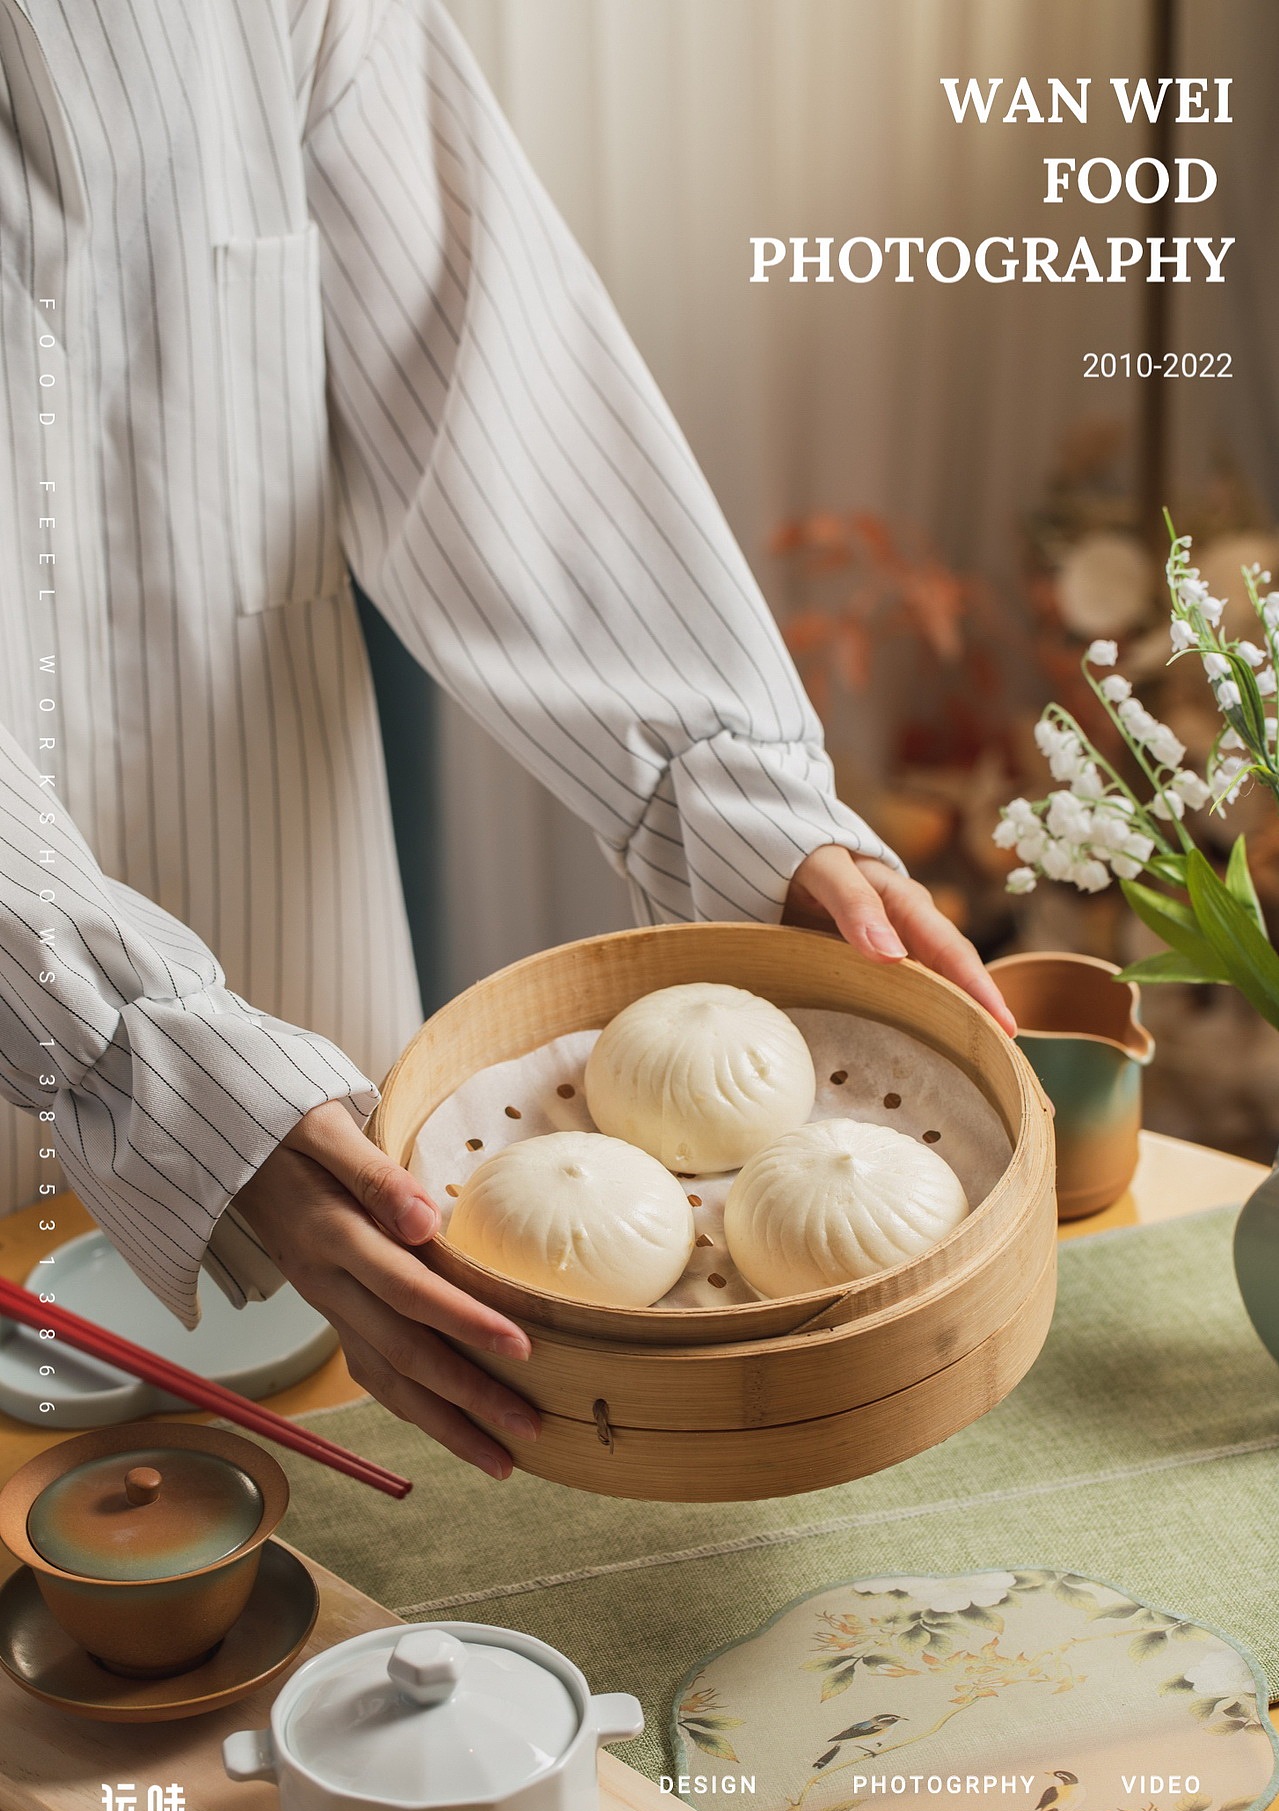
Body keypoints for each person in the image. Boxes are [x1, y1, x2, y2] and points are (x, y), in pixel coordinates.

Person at [0, 0, 1013, 1480]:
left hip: (300, 1032)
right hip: (157, 1055)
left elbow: (487, 380)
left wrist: (736, 798)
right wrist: (153, 1064)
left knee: (354, 1591)